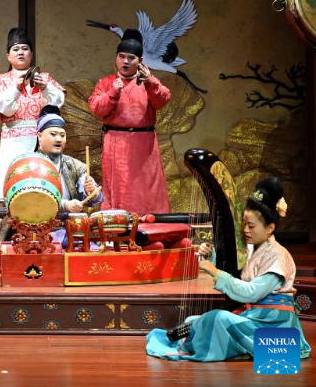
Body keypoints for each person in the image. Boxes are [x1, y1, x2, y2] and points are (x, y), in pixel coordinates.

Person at [146, 177, 311, 361]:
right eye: (244, 224)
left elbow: (251, 293)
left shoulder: (278, 255)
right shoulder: (253, 249)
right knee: (193, 321)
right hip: (256, 316)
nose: (246, 230)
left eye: (251, 226)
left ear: (270, 228)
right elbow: (237, 275)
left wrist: (215, 273)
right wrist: (211, 257)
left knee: (217, 318)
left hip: (273, 324)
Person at [88, 29, 171, 214]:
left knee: (148, 186)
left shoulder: (148, 81)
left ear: (140, 61)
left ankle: (151, 227)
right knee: (118, 186)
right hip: (115, 142)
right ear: (116, 58)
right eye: (121, 56)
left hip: (144, 142)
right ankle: (117, 227)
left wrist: (150, 82)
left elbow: (163, 99)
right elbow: (96, 108)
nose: (125, 61)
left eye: (131, 58)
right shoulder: (107, 82)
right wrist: (112, 93)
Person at [0, 28, 65, 203]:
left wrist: (46, 87)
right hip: (13, 142)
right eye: (15, 49)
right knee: (13, 188)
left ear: (31, 53)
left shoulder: (44, 78)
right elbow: (5, 109)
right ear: (8, 56)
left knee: (43, 187)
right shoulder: (2, 80)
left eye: (24, 48)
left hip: (42, 139)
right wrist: (16, 88)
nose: (20, 52)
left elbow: (57, 103)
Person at [34, 105, 103, 248]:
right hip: (38, 231)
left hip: (69, 229)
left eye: (62, 135)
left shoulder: (73, 165)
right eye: (53, 134)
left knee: (92, 251)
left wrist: (91, 191)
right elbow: (33, 199)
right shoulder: (30, 164)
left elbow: (95, 198)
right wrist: (66, 205)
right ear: (39, 136)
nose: (58, 139)